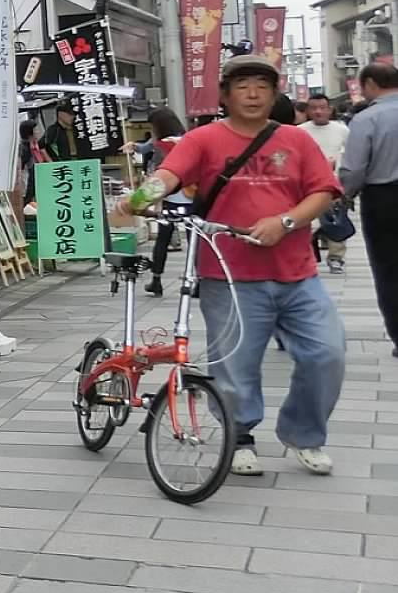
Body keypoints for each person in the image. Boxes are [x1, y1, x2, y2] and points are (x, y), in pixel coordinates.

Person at [122, 54, 344, 475]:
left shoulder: (296, 141)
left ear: (275, 92)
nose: (253, 93)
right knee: (235, 367)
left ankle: (304, 433)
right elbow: (169, 174)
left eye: (262, 85)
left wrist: (285, 221)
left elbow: (324, 191)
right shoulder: (204, 139)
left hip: (297, 273)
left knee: (327, 354)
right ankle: (240, 436)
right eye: (242, 85)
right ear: (225, 94)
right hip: (230, 274)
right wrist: (137, 198)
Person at [340, 61, 398, 355]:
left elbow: (353, 169)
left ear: (371, 84)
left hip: (384, 199)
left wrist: (344, 195)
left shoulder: (367, 119)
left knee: (388, 269)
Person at [139, 107, 191, 296]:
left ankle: (157, 280)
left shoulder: (162, 145)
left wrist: (140, 201)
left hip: (172, 199)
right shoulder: (190, 141)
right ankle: (197, 280)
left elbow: (160, 175)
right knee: (196, 242)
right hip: (192, 197)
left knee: (162, 239)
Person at [302, 92, 353, 273]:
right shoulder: (300, 131)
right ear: (307, 110)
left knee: (336, 220)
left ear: (329, 110)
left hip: (334, 183)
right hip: (307, 185)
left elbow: (350, 155)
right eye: (314, 108)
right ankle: (306, 256)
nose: (318, 112)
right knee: (308, 222)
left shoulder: (342, 130)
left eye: (322, 108)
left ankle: (336, 258)